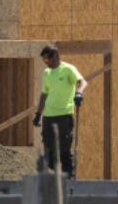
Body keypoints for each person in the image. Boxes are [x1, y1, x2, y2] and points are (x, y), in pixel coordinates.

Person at [32, 46, 88, 176]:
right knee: (48, 152)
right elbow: (44, 95)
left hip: (64, 116)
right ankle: (51, 180)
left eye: (47, 59)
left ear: (55, 55)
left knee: (64, 151)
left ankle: (68, 181)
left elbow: (83, 82)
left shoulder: (68, 69)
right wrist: (38, 114)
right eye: (43, 60)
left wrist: (79, 93)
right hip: (48, 117)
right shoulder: (47, 73)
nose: (46, 63)